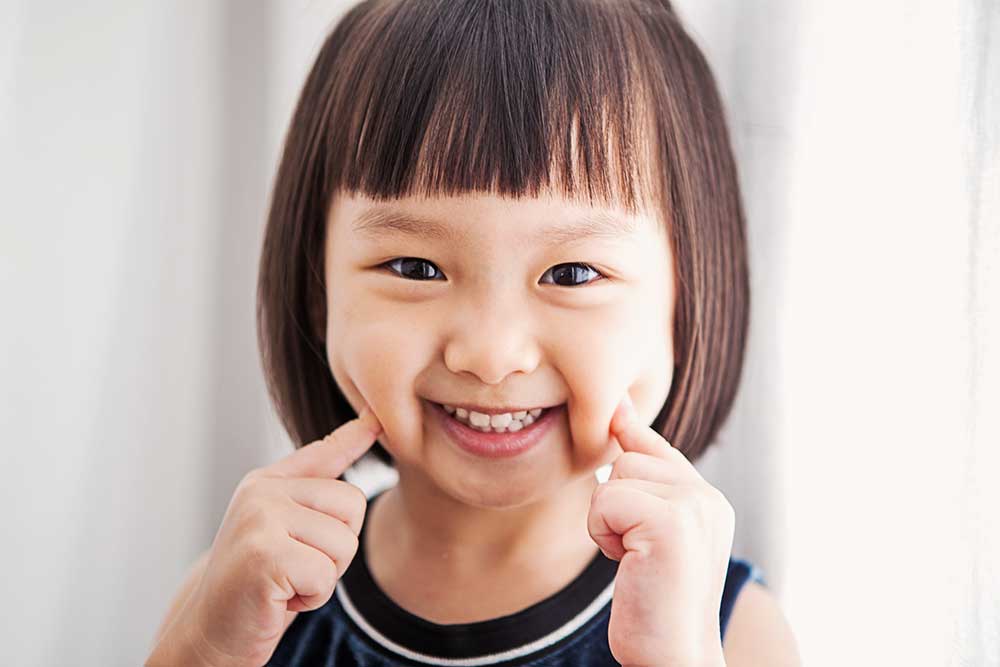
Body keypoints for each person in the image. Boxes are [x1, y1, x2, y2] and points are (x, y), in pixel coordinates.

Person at [147, 1, 801, 665]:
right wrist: (205, 647)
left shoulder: (725, 630)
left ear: (687, 295)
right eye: (415, 267)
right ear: (316, 283)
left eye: (571, 272)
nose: (491, 355)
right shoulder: (245, 595)